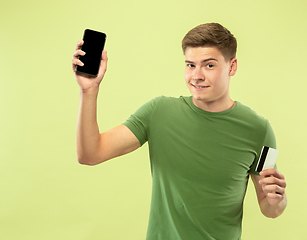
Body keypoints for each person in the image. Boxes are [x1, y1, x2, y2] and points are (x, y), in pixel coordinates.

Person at [72, 23, 287, 240]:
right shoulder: (158, 113)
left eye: (209, 66)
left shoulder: (260, 131)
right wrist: (89, 91)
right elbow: (90, 154)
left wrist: (277, 200)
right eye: (190, 65)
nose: (197, 75)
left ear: (232, 67)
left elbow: (270, 207)